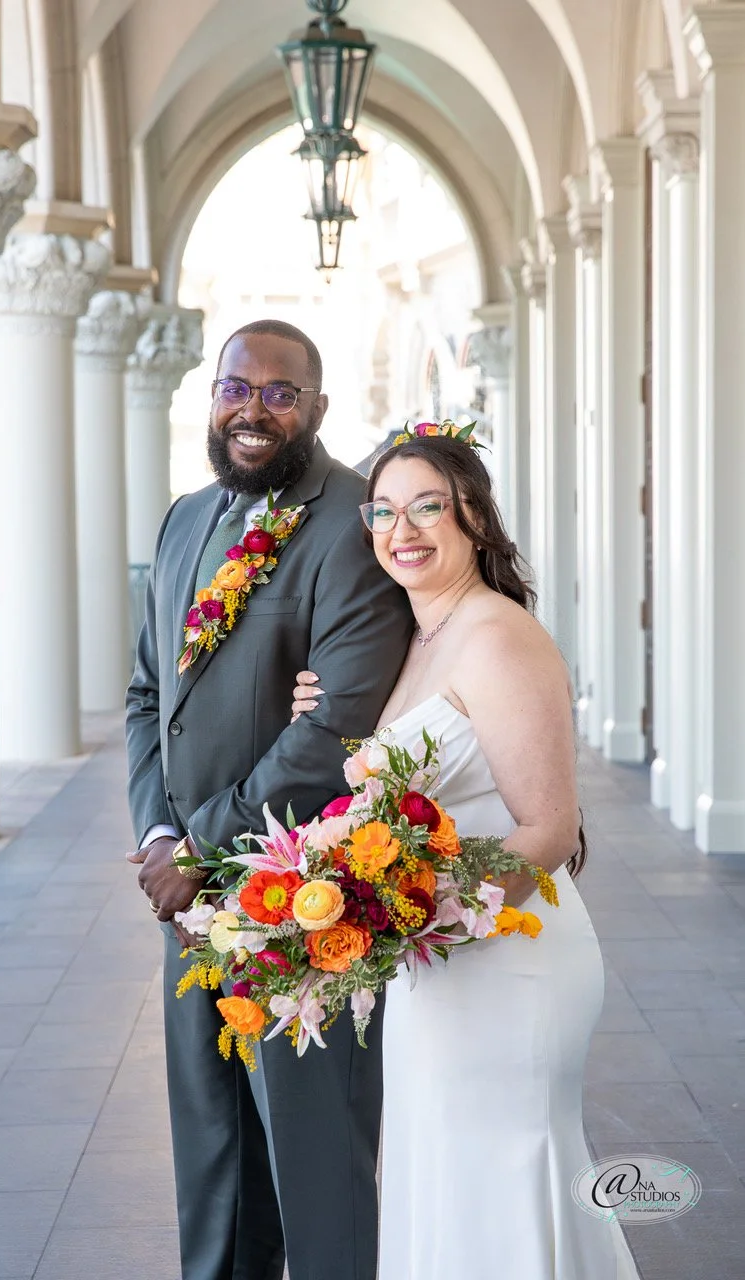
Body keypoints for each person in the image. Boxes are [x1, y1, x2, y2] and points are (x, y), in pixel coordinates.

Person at [290, 428, 641, 1279]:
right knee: (442, 1174)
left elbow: (548, 830)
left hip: (509, 963)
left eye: (425, 506)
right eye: (381, 510)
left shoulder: (496, 634)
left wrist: (412, 911)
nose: (400, 527)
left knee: (501, 1178)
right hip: (436, 968)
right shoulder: (417, 639)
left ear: (474, 517)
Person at [124, 319, 412, 1280]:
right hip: (189, 900)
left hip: (302, 901)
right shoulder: (183, 518)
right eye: (235, 387)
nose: (253, 408)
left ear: (316, 407)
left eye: (280, 392)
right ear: (210, 396)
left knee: (312, 1162)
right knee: (214, 1155)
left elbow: (332, 733)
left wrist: (197, 847)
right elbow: (146, 696)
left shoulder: (351, 524)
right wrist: (160, 833)